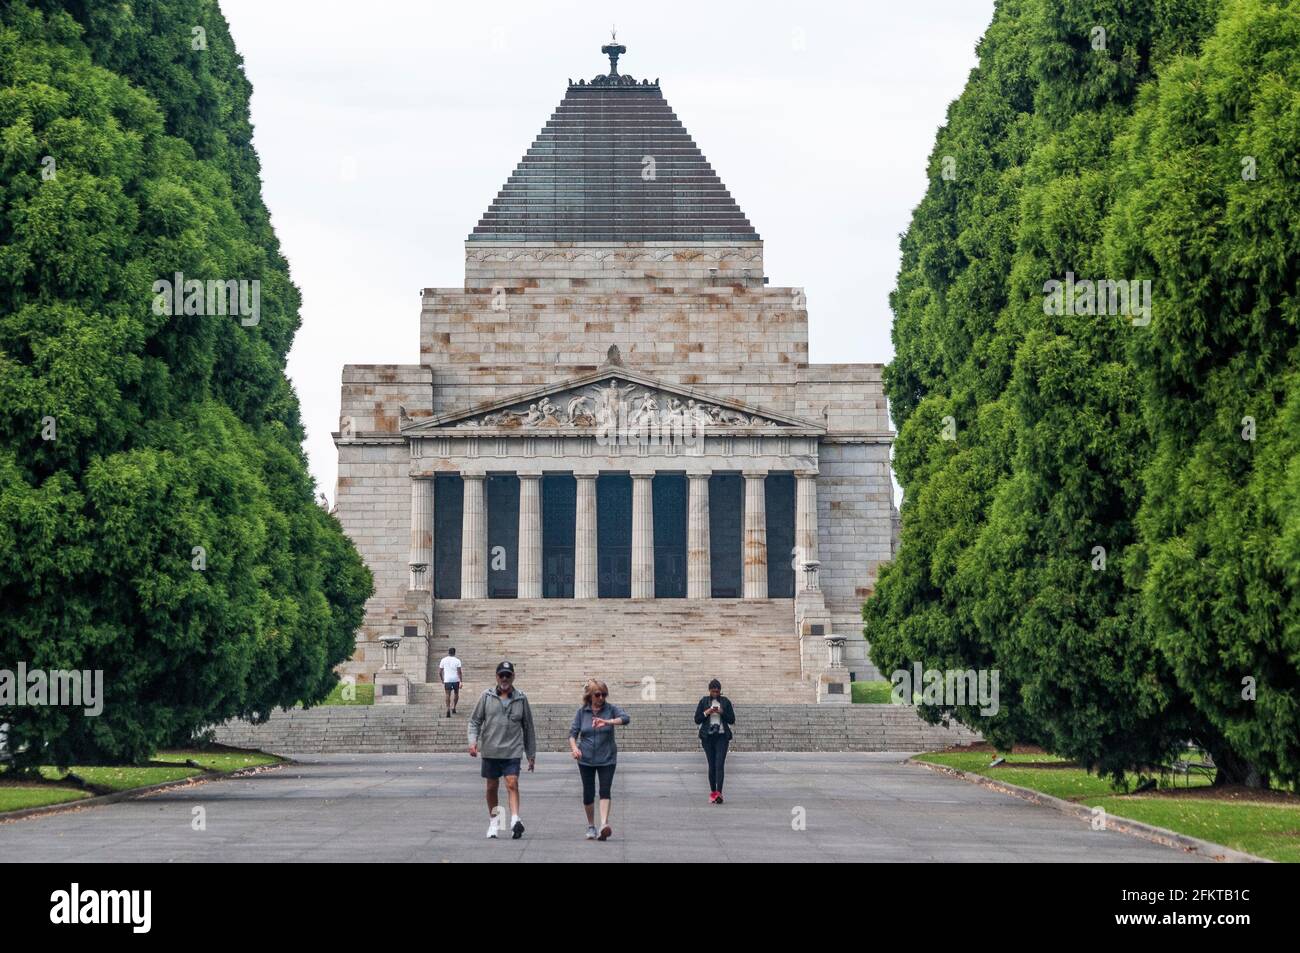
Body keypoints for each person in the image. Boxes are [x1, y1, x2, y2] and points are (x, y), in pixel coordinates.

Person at [467, 661, 536, 839]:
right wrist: (472, 742)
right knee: (492, 787)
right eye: (501, 675)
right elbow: (475, 721)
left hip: (512, 750)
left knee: (512, 783)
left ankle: (514, 820)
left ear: (513, 677)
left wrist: (531, 754)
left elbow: (528, 727)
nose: (505, 678)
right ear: (496, 677)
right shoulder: (486, 696)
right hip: (491, 749)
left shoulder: (521, 698)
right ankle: (494, 822)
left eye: (508, 675)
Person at [568, 679, 630, 841]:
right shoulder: (582, 713)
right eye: (597, 694)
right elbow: (572, 734)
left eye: (604, 694)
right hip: (585, 758)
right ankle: (591, 826)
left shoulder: (611, 709)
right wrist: (575, 748)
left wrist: (607, 721)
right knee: (588, 794)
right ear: (590, 696)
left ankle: (604, 824)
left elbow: (626, 718)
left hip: (607, 758)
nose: (601, 697)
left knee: (605, 790)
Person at [694, 678, 735, 804]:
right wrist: (707, 712)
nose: (715, 694)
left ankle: (719, 793)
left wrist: (722, 712)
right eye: (713, 692)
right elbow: (697, 719)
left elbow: (732, 720)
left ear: (720, 691)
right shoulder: (704, 701)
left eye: (717, 692)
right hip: (708, 737)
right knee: (712, 766)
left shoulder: (725, 701)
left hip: (722, 737)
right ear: (709, 691)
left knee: (719, 765)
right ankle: (713, 793)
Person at [437, 647, 463, 717]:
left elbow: (440, 672)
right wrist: (461, 681)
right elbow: (459, 672)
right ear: (454, 653)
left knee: (447, 694)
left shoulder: (443, 660)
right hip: (455, 679)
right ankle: (454, 707)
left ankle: (448, 709)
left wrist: (442, 679)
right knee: (456, 693)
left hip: (447, 680)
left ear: (448, 652)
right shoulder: (457, 660)